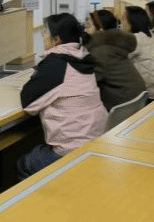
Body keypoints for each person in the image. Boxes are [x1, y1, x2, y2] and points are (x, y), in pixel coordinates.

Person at [18, 13, 107, 180]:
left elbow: (28, 102)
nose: (42, 35)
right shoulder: (81, 58)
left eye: (45, 32)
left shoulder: (57, 65)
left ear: (56, 40)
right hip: (95, 144)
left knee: (26, 162)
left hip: (70, 153)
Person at [85, 9, 146, 111]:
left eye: (89, 26)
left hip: (122, 106)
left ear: (100, 30)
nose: (85, 30)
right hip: (134, 100)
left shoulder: (102, 52)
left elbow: (87, 82)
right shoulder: (113, 46)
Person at [121, 6, 154, 100]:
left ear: (133, 22)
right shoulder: (149, 34)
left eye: (123, 19)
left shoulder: (136, 39)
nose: (121, 23)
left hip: (151, 94)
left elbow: (116, 59)